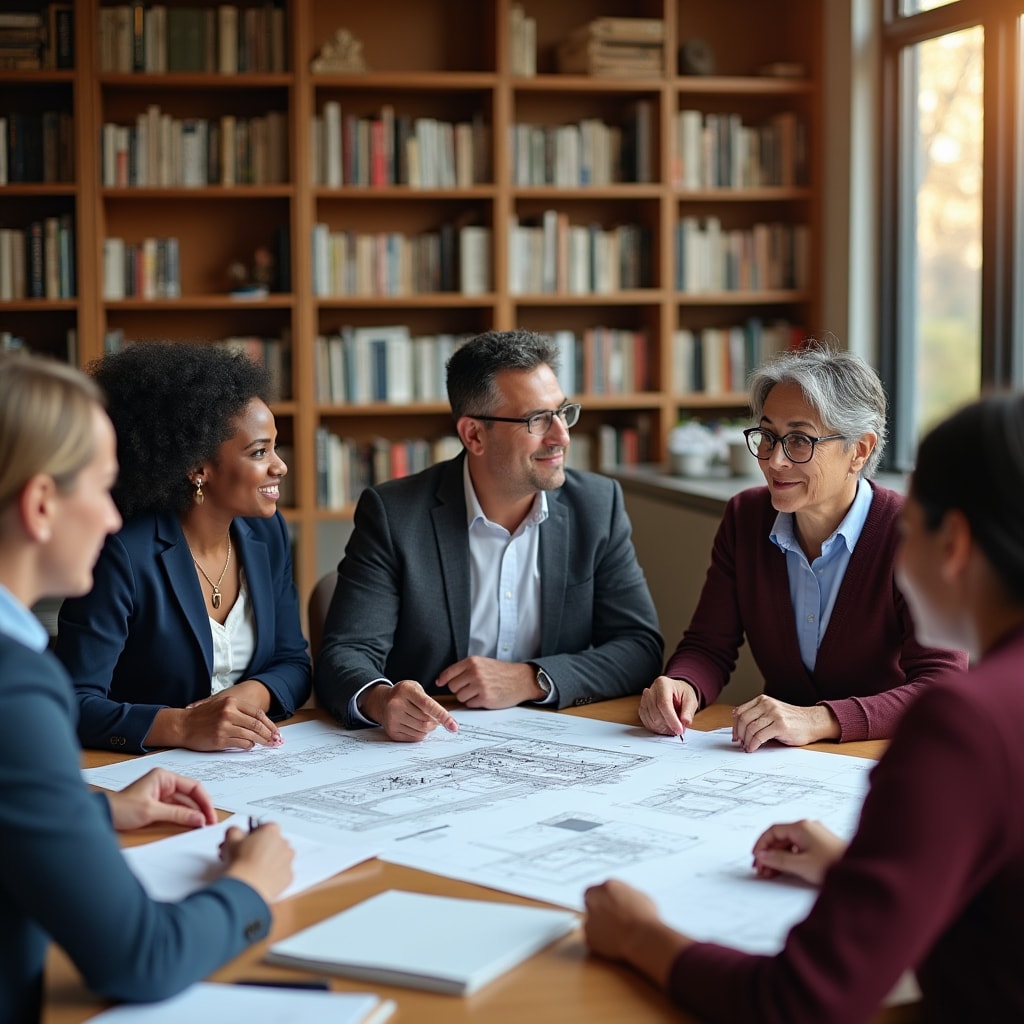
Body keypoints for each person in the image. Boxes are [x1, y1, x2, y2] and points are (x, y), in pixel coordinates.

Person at [584, 393, 1024, 1022]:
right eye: (766, 437)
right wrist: (859, 870)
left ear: (950, 541)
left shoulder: (959, 726)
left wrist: (637, 936)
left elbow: (800, 1002)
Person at [0, 352, 294, 1022]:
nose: (113, 517)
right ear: (42, 504)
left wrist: (97, 811)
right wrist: (252, 883)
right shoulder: (16, 689)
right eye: (103, 489)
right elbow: (141, 958)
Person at [313, 329, 662, 741]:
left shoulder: (596, 506)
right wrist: (381, 699)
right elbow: (345, 654)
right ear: (473, 435)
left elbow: (639, 647)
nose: (561, 436)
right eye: (537, 420)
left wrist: (532, 678)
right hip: (429, 750)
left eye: (563, 412)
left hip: (554, 744)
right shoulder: (395, 515)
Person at [640, 344, 965, 751]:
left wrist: (820, 719)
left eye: (799, 440)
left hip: (880, 757)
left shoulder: (912, 535)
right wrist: (682, 684)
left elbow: (940, 687)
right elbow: (708, 646)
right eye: (768, 435)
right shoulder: (745, 518)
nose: (775, 460)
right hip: (776, 760)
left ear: (859, 450)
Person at [56, 342, 311, 753]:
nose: (279, 465)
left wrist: (252, 694)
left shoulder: (268, 534)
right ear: (198, 468)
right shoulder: (122, 553)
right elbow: (73, 703)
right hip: (147, 771)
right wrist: (182, 726)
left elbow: (294, 663)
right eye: (259, 451)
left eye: (275, 447)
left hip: (256, 764)